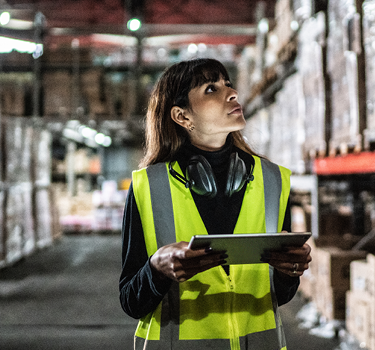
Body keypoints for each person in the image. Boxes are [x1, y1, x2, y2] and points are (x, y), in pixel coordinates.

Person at [119, 58, 312, 350]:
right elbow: (131, 300)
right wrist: (156, 269)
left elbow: (279, 294)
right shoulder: (150, 187)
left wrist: (289, 270)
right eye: (211, 89)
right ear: (183, 117)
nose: (232, 94)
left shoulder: (272, 180)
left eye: (228, 84)